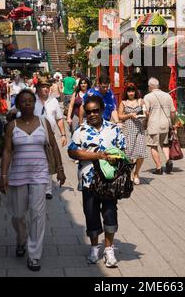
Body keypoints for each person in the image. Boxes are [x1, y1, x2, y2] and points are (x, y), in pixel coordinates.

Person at [0, 89, 66, 271]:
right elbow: (7, 151)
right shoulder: (12, 126)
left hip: (39, 174)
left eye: (30, 100)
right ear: (18, 105)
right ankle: (21, 239)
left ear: (34, 103)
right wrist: (3, 176)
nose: (28, 104)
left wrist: (60, 169)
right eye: (24, 101)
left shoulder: (43, 123)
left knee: (37, 215)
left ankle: (34, 255)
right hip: (17, 175)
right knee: (18, 214)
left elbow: (53, 146)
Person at [68, 95, 125, 268]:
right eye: (89, 111)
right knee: (90, 213)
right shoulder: (80, 131)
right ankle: (94, 247)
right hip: (88, 180)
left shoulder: (114, 129)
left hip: (109, 180)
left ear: (102, 110)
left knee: (109, 213)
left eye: (96, 110)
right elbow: (72, 152)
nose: (92, 114)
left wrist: (116, 158)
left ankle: (108, 249)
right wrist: (97, 155)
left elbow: (123, 150)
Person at [144, 77, 176, 175]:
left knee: (153, 146)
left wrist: (145, 123)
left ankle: (158, 168)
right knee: (165, 144)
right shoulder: (167, 96)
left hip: (153, 124)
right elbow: (173, 112)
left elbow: (146, 112)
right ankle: (167, 160)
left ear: (150, 87)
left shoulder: (147, 97)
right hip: (165, 124)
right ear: (158, 86)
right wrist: (173, 123)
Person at [118, 83, 147, 185]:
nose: (131, 93)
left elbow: (145, 112)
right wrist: (129, 115)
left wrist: (146, 113)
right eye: (129, 91)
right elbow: (119, 116)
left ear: (135, 92)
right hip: (128, 129)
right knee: (129, 153)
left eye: (133, 91)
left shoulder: (140, 101)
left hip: (139, 129)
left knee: (141, 153)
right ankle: (129, 173)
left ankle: (136, 173)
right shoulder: (123, 103)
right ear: (126, 92)